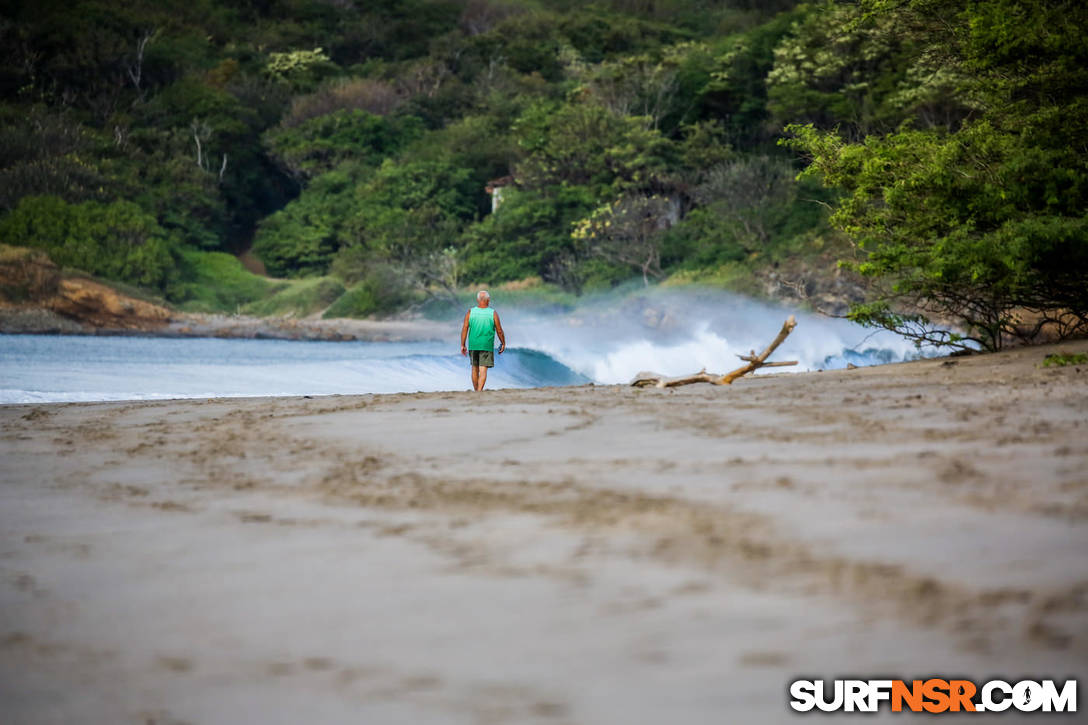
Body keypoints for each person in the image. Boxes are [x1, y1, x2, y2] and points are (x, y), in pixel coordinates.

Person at [460, 290, 506, 391]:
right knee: (483, 369)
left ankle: (476, 390)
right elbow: (499, 330)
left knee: (474, 368)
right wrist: (503, 342)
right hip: (486, 345)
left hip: (473, 344)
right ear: (488, 300)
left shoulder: (470, 312)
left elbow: (465, 328)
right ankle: (479, 391)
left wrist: (462, 345)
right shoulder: (492, 313)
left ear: (477, 300)